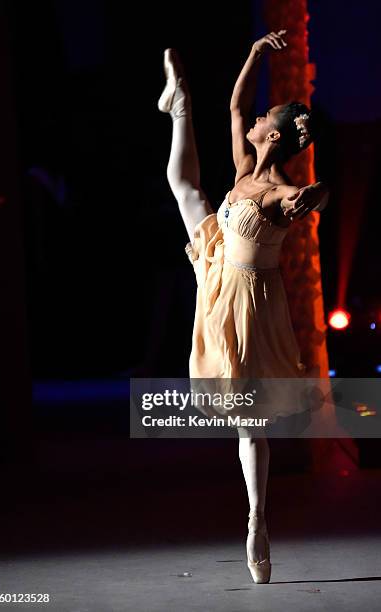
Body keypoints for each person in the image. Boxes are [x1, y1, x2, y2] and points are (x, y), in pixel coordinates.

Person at [158, 30, 328, 584]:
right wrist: (255, 53)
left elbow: (313, 193)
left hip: (252, 304)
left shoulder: (279, 189)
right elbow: (234, 103)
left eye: (261, 119)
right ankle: (179, 102)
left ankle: (257, 522)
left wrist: (310, 197)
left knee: (250, 424)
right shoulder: (243, 171)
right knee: (184, 187)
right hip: (218, 270)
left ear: (273, 134)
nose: (248, 119)